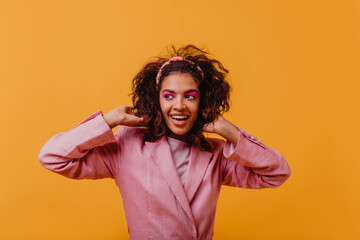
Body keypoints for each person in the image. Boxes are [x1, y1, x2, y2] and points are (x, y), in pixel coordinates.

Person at [38, 45, 291, 240]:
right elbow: (52, 156)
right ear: (156, 99)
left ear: (203, 101)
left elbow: (277, 173)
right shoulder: (126, 147)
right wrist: (110, 119)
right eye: (168, 96)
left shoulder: (215, 154)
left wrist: (230, 132)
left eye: (190, 96)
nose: (179, 106)